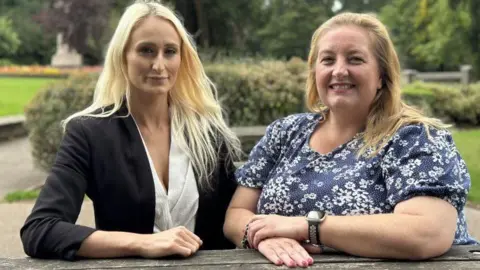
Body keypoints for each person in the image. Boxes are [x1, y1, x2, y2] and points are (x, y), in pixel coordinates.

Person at [223, 12, 478, 268]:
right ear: (315, 72)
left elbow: (427, 233)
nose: (339, 70)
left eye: (355, 59)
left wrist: (307, 227)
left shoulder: (416, 138)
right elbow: (236, 215)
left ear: (381, 76)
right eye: (328, 60)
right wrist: (262, 238)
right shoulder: (285, 133)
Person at [20, 0, 241, 261]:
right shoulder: (89, 134)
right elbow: (40, 229)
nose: (159, 65)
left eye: (170, 51)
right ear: (122, 56)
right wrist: (142, 243)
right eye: (146, 50)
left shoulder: (208, 134)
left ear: (182, 58)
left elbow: (235, 218)